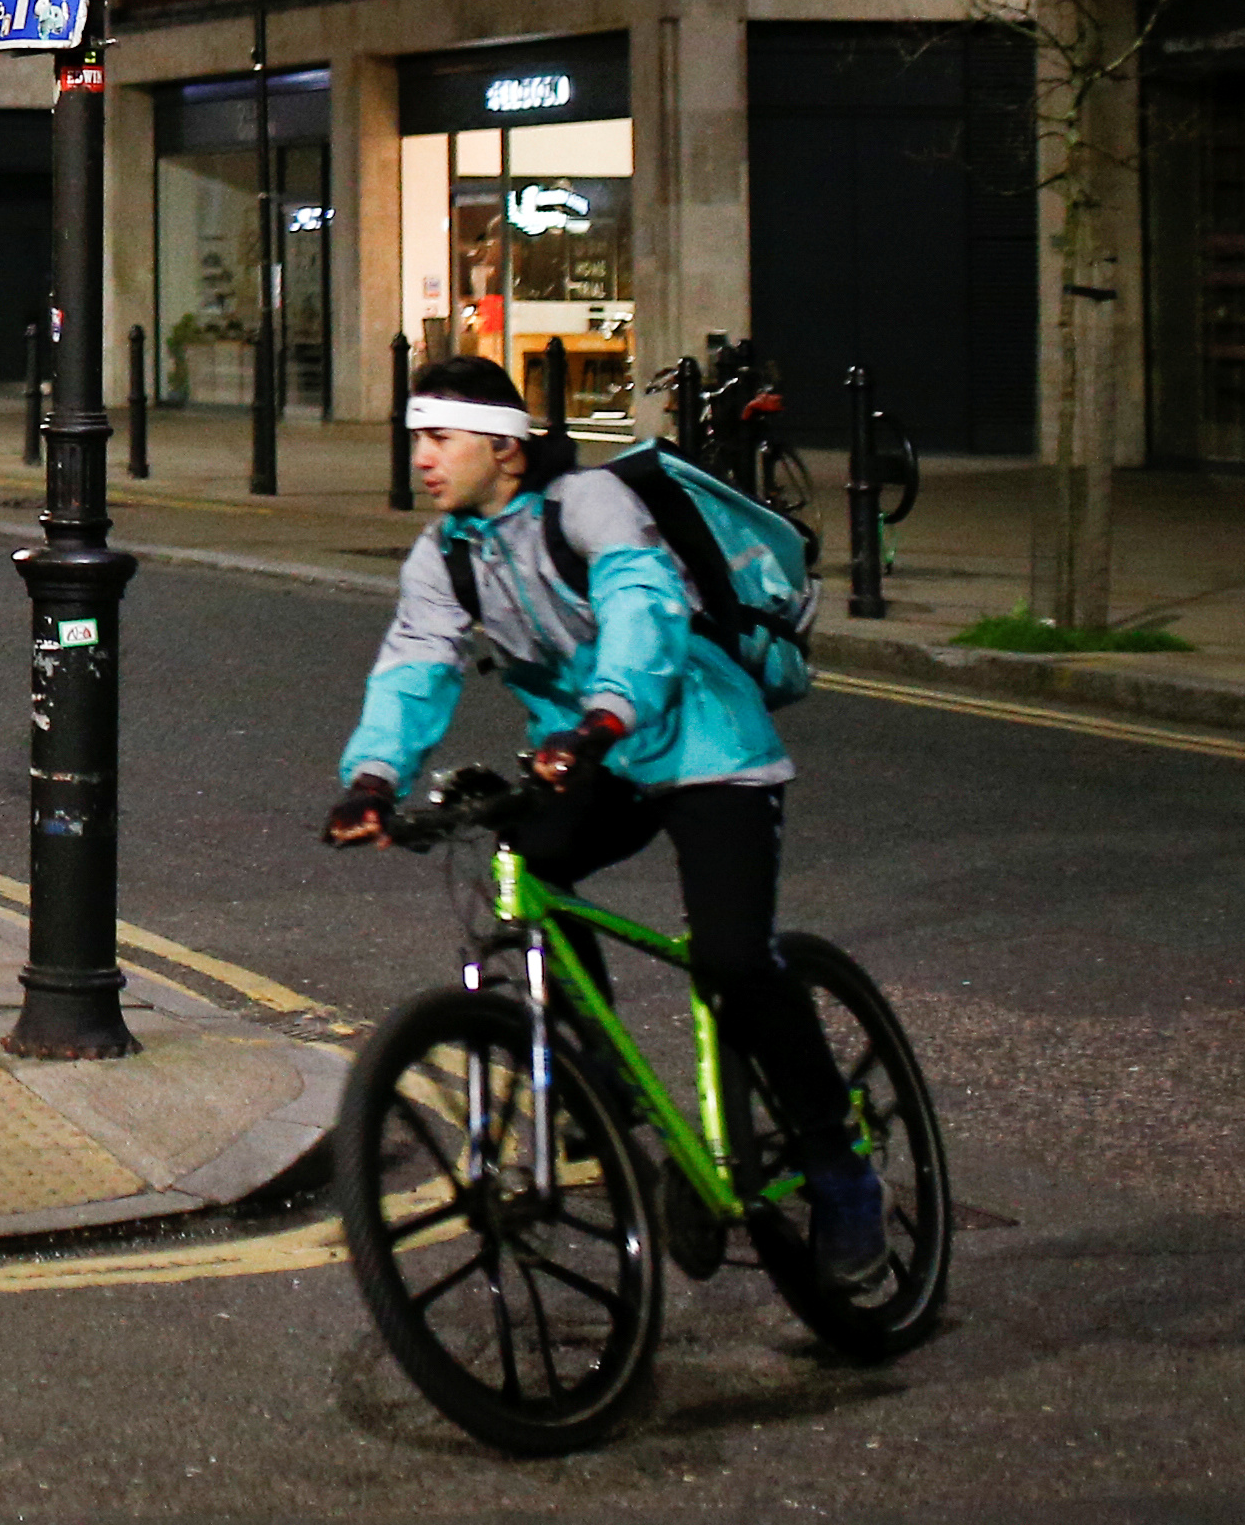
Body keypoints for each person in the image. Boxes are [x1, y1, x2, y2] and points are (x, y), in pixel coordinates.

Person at [323, 355, 888, 1282]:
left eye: (439, 438)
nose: (420, 458)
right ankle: (602, 1079)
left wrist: (606, 714)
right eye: (416, 438)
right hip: (587, 754)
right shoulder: (444, 554)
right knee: (525, 869)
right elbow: (416, 661)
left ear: (504, 450)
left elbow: (644, 605)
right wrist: (374, 779)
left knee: (734, 960)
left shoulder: (586, 507)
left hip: (699, 742)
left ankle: (839, 1164)